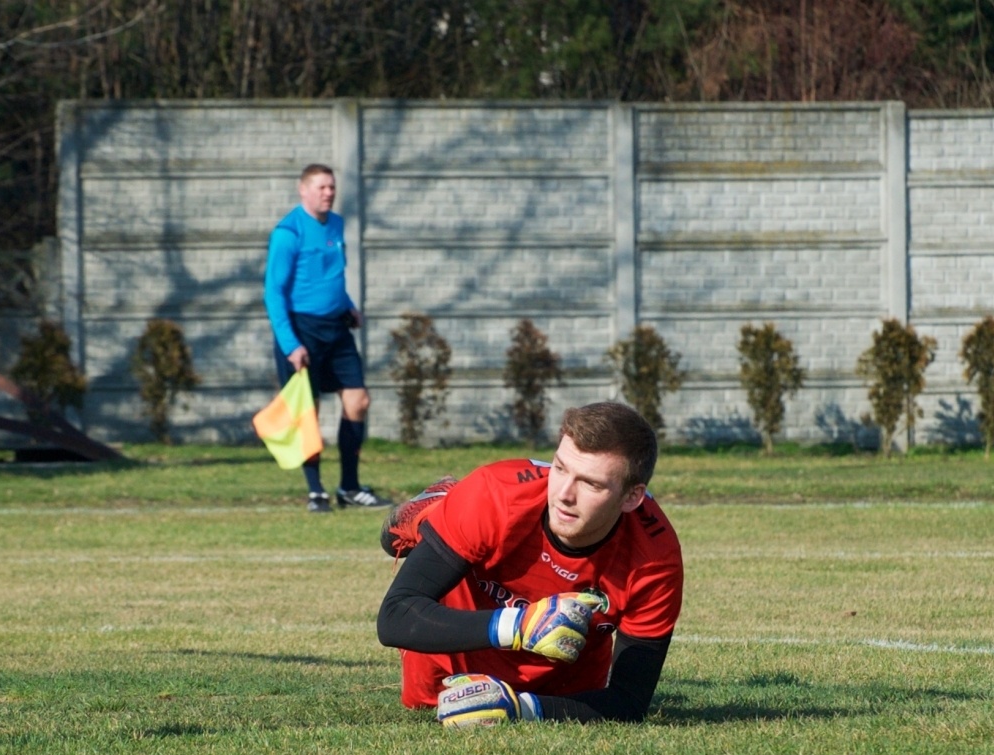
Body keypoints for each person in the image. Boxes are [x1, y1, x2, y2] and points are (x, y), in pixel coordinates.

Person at [377, 402, 684, 725]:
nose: (564, 494)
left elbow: (629, 701)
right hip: (453, 657)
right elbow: (395, 616)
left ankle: (444, 513)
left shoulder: (655, 560)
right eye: (561, 468)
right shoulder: (495, 494)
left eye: (590, 484)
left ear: (632, 497)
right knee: (425, 703)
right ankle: (433, 511)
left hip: (561, 682)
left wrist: (521, 709)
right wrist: (518, 626)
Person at [264, 163, 389, 513]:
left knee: (358, 400)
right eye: (321, 187)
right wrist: (291, 344)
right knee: (309, 412)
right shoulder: (288, 233)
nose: (328, 193)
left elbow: (332, 277)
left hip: (336, 328)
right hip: (302, 331)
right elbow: (274, 293)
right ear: (303, 190)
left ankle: (349, 486)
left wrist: (348, 306)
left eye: (332, 187)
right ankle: (315, 491)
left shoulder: (336, 225)